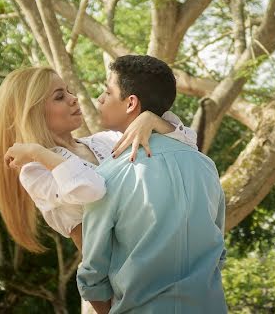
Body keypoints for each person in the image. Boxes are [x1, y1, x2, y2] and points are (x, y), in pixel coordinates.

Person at [0, 66, 198, 253]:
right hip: (119, 286)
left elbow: (187, 146)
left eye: (69, 91)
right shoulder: (35, 172)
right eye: (59, 97)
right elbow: (92, 190)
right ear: (33, 113)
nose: (73, 98)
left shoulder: (105, 141)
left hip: (163, 258)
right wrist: (37, 152)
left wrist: (150, 120)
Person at [77, 55, 227, 314]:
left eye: (107, 91)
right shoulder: (206, 167)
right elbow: (218, 249)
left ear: (130, 103)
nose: (100, 99)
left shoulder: (109, 175)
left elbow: (93, 275)